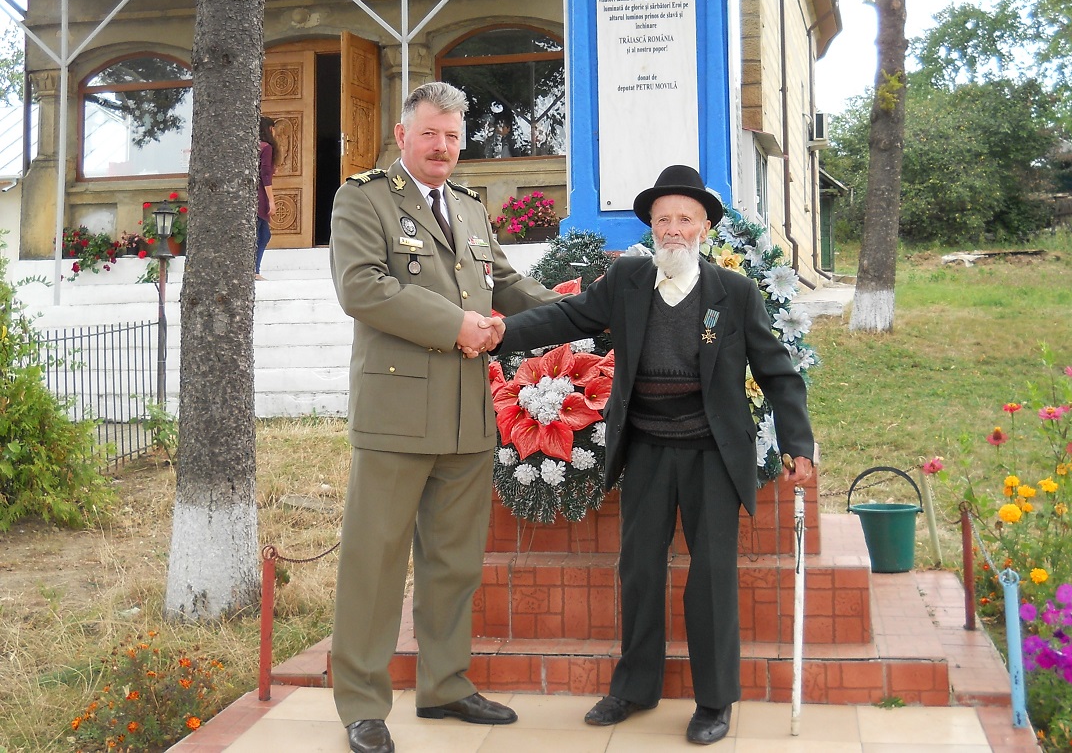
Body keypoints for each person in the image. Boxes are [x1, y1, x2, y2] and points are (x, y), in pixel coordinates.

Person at [497, 164, 816, 745]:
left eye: (684, 219)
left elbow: (778, 372)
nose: (673, 230)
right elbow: (566, 317)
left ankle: (714, 701)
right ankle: (635, 688)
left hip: (712, 452)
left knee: (712, 575)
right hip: (646, 445)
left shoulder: (734, 292)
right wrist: (499, 333)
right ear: (650, 226)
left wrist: (798, 443)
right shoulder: (627, 283)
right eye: (663, 219)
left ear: (704, 228)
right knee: (640, 568)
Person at [327, 81, 560, 753]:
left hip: (465, 415)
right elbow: (362, 287)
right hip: (397, 412)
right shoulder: (363, 198)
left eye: (454, 136)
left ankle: (446, 684)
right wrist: (457, 324)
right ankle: (363, 704)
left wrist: (578, 311)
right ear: (403, 136)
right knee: (374, 563)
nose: (443, 147)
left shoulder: (468, 208)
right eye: (431, 133)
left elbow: (506, 285)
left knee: (453, 562)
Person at [255, 116, 278, 279]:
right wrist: (271, 200)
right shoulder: (267, 147)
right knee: (261, 234)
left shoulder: (255, 146)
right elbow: (265, 174)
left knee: (261, 233)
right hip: (260, 195)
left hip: (252, 194)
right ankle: (254, 271)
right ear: (270, 129)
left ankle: (254, 270)